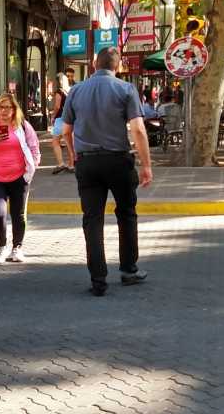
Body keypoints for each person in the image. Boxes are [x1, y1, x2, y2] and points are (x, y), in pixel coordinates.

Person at [61, 47, 152, 297]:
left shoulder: (76, 90)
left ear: (93, 63)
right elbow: (138, 130)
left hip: (87, 163)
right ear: (118, 65)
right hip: (117, 161)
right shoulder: (125, 89)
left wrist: (72, 154)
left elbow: (66, 130)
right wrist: (146, 164)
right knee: (126, 213)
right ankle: (128, 269)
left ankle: (98, 278)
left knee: (92, 219)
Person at [0, 94, 41, 264]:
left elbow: (34, 148)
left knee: (18, 214)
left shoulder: (23, 126)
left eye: (8, 108)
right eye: (0, 108)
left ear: (14, 110)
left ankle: (17, 248)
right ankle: (1, 247)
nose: (4, 111)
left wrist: (32, 167)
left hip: (19, 177)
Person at [49, 73, 75, 174]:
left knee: (55, 141)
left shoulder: (59, 92)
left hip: (60, 118)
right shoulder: (69, 90)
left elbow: (57, 106)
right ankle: (71, 165)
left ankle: (60, 163)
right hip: (70, 118)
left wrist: (53, 115)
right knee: (69, 142)